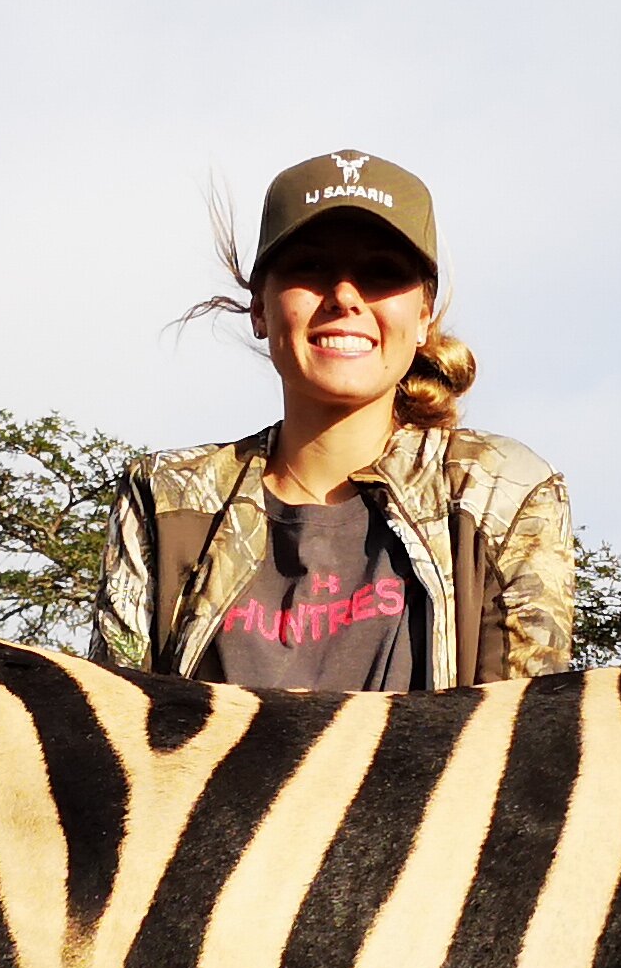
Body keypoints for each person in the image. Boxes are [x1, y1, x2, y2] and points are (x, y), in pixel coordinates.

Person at [90, 149, 574, 689]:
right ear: (260, 308)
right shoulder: (167, 500)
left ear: (422, 316)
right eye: (310, 268)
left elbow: (520, 739)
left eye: (381, 273)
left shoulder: (500, 490)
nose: (345, 297)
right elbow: (117, 733)